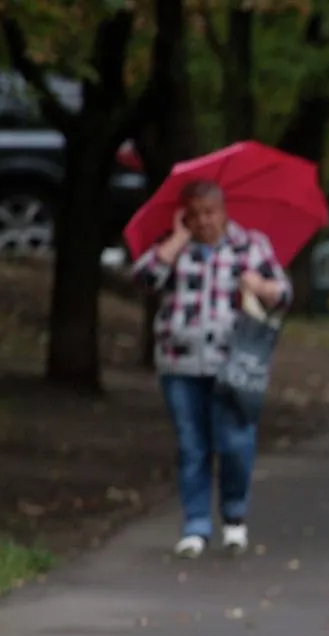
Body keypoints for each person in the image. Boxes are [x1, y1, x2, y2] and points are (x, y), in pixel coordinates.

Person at [132, 179, 292, 558]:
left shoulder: (250, 246)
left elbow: (284, 292)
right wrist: (174, 240)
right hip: (180, 361)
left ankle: (234, 517)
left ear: (224, 211)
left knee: (235, 442)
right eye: (195, 214)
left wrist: (263, 288)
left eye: (210, 212)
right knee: (192, 445)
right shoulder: (174, 248)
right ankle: (196, 526)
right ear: (185, 214)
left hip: (232, 364)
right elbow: (143, 279)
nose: (204, 221)